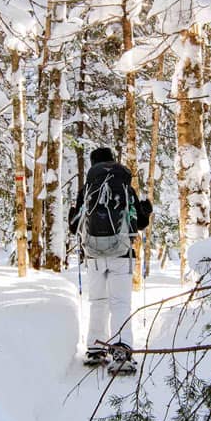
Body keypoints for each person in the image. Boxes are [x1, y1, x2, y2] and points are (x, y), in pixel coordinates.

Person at [67, 145, 151, 374]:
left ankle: (96, 348)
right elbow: (140, 222)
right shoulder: (124, 186)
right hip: (122, 253)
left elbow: (74, 225)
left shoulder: (88, 188)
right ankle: (121, 351)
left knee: (98, 301)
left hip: (93, 254)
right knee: (120, 303)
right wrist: (146, 209)